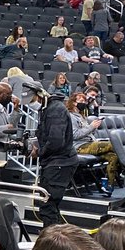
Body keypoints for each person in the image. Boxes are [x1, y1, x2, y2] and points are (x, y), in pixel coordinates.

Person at [35, 90, 78, 227]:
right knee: (50, 206)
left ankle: (51, 238)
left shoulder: (55, 110)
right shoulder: (49, 109)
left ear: (39, 96)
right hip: (57, 161)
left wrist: (39, 152)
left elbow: (55, 141)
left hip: (59, 162)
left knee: (48, 206)